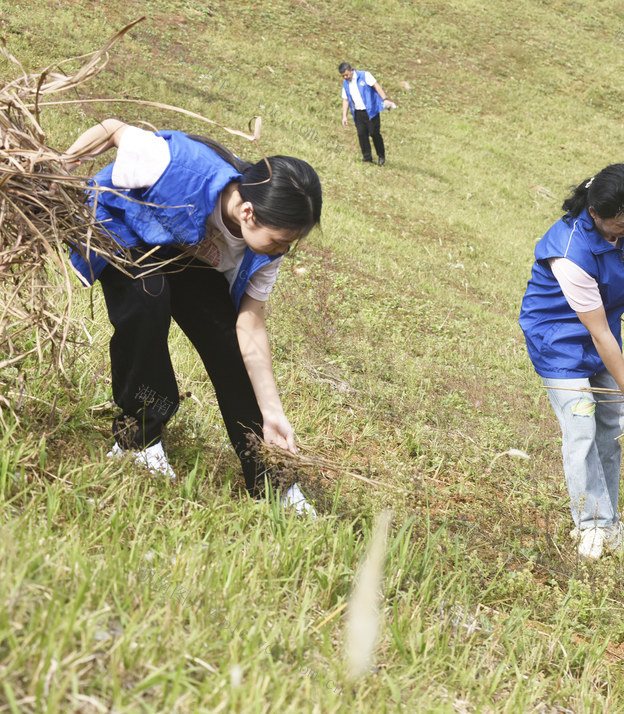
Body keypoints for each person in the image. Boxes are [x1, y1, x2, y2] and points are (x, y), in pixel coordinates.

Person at [63, 119, 322, 515]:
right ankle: (138, 440)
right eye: (280, 240)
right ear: (248, 212)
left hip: (182, 253)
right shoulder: (175, 164)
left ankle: (272, 477)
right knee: (149, 299)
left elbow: (250, 326)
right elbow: (112, 127)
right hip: (122, 228)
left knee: (227, 342)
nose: (281, 251)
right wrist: (61, 169)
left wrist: (273, 412)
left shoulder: (264, 251)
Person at [519, 164, 624, 561]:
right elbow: (597, 333)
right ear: (596, 214)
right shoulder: (570, 252)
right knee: (580, 427)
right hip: (559, 341)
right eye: (622, 224)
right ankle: (591, 525)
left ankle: (609, 520)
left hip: (603, 335)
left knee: (611, 426)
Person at [339, 63, 394, 166]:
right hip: (358, 112)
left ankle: (381, 155)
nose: (345, 77)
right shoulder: (345, 84)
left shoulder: (365, 75)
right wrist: (344, 116)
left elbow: (377, 87)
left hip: (371, 111)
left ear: (351, 70)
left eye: (346, 75)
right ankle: (367, 157)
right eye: (343, 76)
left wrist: (385, 99)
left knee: (374, 133)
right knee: (361, 134)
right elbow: (345, 100)